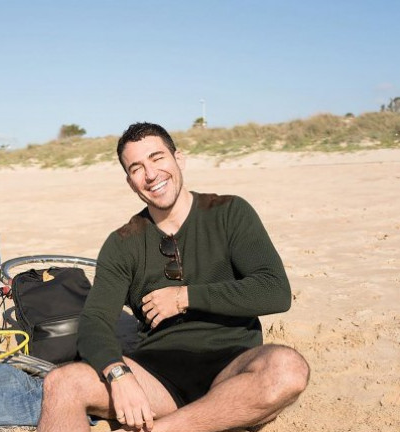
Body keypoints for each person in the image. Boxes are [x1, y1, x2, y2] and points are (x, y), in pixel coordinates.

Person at [37, 122, 309, 432]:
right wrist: (119, 374)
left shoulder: (229, 212)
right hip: (157, 376)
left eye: (157, 158)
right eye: (137, 168)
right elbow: (94, 322)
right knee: (61, 382)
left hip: (233, 369)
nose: (151, 174)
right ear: (130, 182)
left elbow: (274, 290)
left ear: (179, 159)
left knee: (288, 368)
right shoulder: (122, 243)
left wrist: (184, 297)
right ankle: (198, 421)